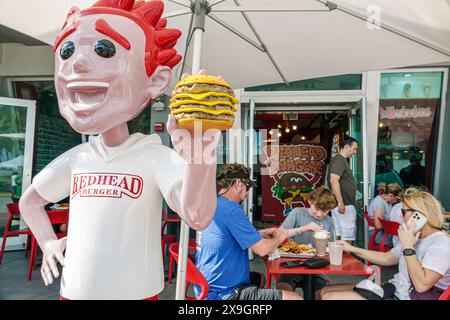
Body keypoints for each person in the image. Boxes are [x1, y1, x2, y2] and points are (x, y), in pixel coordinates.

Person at [19, 1, 221, 300]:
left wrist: (199, 158)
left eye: (104, 49)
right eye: (67, 51)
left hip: (136, 292)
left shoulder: (153, 155)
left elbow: (197, 216)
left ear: (156, 81)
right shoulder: (80, 157)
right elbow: (30, 202)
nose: (77, 63)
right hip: (73, 292)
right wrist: (48, 241)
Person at [195, 164, 306, 300]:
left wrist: (260, 233)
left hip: (205, 285)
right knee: (295, 298)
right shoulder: (232, 209)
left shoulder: (213, 204)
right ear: (238, 184)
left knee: (260, 279)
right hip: (223, 293)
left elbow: (226, 236)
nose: (247, 194)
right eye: (247, 188)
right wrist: (281, 235)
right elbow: (262, 250)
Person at [321, 189, 450, 300]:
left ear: (420, 216)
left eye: (403, 212)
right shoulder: (416, 236)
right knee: (325, 291)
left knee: (329, 297)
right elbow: (387, 258)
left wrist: (408, 248)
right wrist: (351, 248)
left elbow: (422, 286)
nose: (400, 217)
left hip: (405, 296)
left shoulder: (441, 244)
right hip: (393, 288)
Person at [276, 187, 338, 299]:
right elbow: (279, 233)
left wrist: (328, 240)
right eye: (317, 209)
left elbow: (332, 245)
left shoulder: (329, 221)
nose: (319, 214)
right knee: (283, 289)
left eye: (324, 211)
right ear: (310, 201)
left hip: (317, 265)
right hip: (294, 263)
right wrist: (303, 228)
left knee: (322, 293)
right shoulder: (297, 213)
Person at [327, 136, 358, 244]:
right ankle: (348, 260)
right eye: (354, 149)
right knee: (347, 240)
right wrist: (341, 202)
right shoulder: (340, 160)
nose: (354, 152)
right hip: (344, 206)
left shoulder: (340, 160)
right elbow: (334, 180)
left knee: (339, 238)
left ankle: (339, 259)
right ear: (346, 147)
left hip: (342, 205)